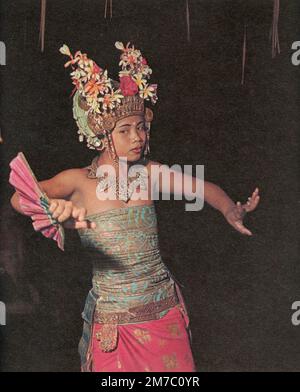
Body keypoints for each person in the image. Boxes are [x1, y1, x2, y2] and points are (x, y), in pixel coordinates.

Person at [10, 41, 260, 372]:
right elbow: (18, 196)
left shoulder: (150, 173)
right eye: (125, 130)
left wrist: (230, 209)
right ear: (102, 135)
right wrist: (52, 205)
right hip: (114, 324)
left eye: (141, 127)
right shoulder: (77, 181)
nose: (137, 137)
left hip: (163, 316)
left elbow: (204, 189)